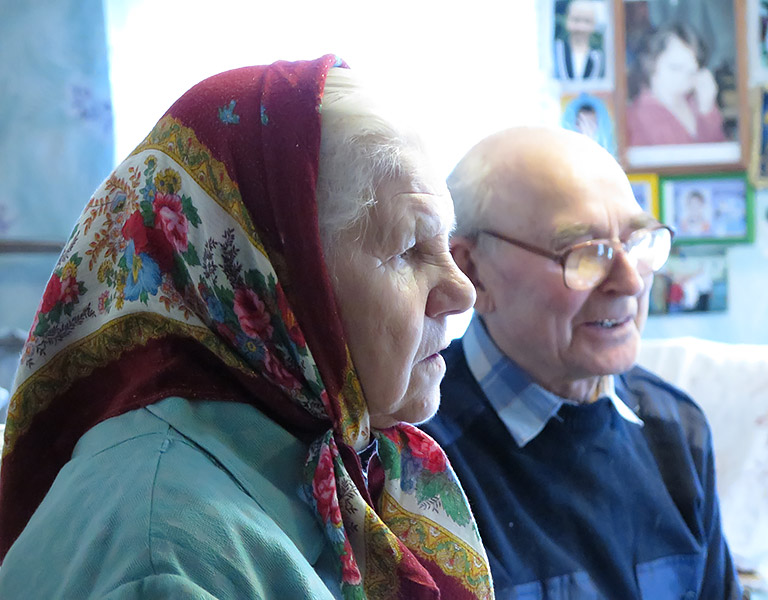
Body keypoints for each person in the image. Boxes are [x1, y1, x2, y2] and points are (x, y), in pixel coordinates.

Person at [0, 55, 494, 600]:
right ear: (277, 279)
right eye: (408, 249)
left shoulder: (315, 452)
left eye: (445, 244)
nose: (462, 291)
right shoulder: (166, 553)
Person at [421, 126, 742, 599]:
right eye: (585, 252)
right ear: (472, 272)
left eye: (637, 241)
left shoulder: (676, 428)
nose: (631, 282)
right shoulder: (413, 457)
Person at [626, 23, 726, 146]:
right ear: (652, 61)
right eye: (676, 67)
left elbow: (719, 151)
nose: (683, 78)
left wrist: (706, 109)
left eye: (691, 72)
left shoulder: (698, 103)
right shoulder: (636, 117)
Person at [554, 0, 605, 81]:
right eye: (576, 20)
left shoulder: (598, 57)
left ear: (594, 24)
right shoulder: (555, 50)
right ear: (567, 20)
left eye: (587, 21)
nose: (581, 27)